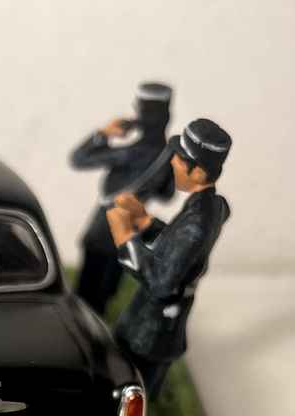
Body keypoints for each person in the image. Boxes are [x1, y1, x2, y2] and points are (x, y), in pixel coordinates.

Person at [106, 118, 232, 400]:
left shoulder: (197, 224)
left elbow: (160, 282)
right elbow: (179, 245)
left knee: (132, 389)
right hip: (164, 326)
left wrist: (125, 237)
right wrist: (145, 221)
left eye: (180, 159)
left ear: (198, 172)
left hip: (150, 330)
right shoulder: (212, 206)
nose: (173, 162)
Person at [67, 81, 175, 315]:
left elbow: (78, 159)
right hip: (129, 227)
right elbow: (167, 194)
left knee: (89, 292)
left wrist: (104, 133)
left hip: (105, 226)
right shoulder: (168, 155)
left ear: (142, 114)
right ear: (167, 116)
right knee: (108, 287)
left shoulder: (131, 153)